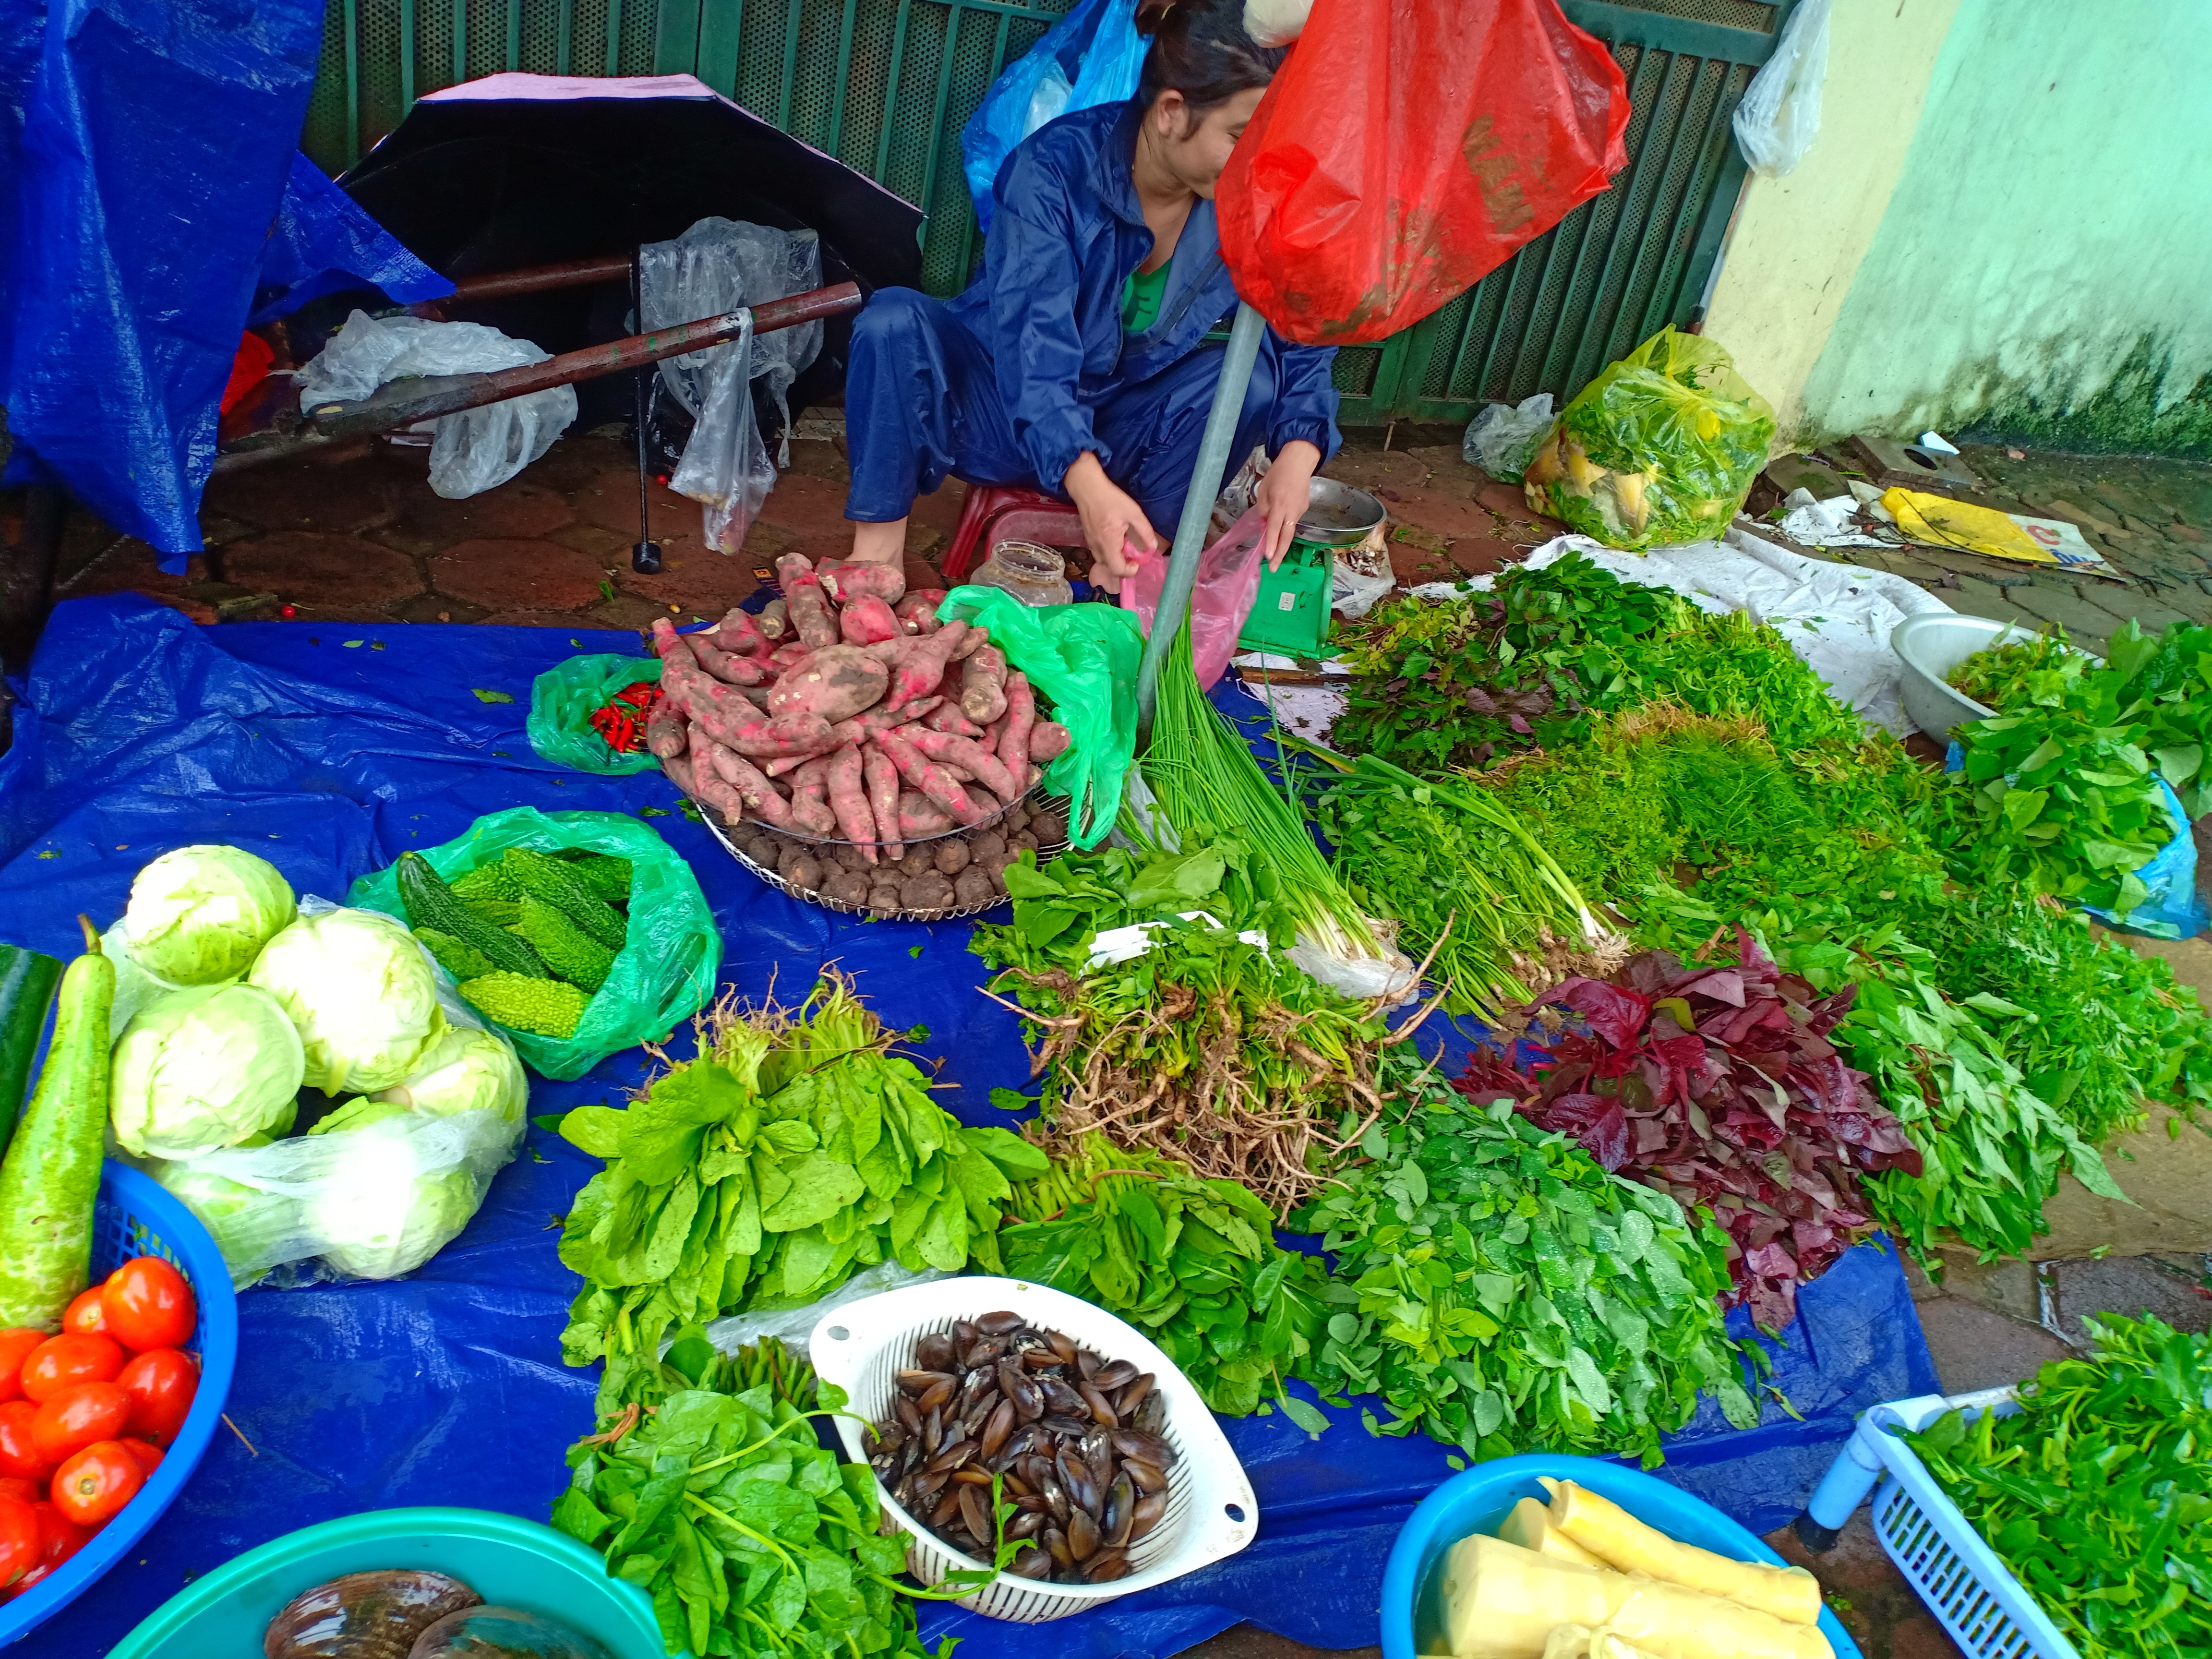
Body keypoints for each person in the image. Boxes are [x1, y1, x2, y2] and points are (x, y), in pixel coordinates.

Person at [839, 0, 1337, 590]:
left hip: (1120, 425)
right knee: (894, 320)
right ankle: (875, 565)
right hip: (1001, 409)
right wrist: (1084, 478)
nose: (1256, 163)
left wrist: (1299, 454)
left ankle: (1137, 561)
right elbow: (1035, 344)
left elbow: (1299, 322)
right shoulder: (1052, 171)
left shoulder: (1246, 196)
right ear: (1173, 113)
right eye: (1239, 137)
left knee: (1248, 376)